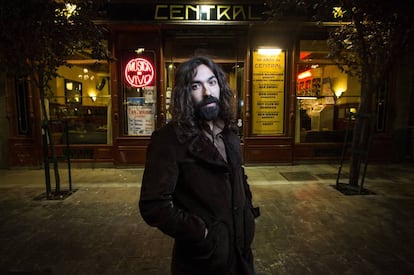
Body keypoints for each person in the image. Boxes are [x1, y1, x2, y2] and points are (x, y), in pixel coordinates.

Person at [139, 56, 260, 275]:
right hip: (203, 261)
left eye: (212, 82)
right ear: (185, 93)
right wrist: (201, 233)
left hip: (241, 253)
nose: (207, 92)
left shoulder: (229, 132)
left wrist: (248, 212)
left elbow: (238, 175)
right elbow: (153, 205)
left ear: (220, 86)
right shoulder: (168, 140)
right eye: (196, 85)